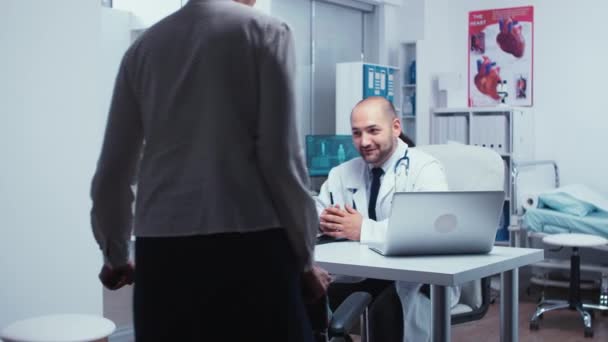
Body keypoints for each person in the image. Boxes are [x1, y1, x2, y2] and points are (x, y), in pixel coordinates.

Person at [90, 0, 330, 340]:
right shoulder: (266, 32)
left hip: (162, 254)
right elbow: (281, 159)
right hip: (252, 247)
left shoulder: (143, 49)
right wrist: (305, 261)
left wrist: (115, 254)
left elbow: (112, 172)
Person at [315, 96, 460, 342]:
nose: (364, 142)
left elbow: (429, 230)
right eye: (357, 133)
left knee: (386, 307)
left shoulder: (425, 169)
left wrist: (363, 229)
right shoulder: (343, 172)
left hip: (413, 280)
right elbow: (319, 208)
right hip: (360, 274)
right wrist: (325, 220)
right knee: (307, 294)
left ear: (395, 128)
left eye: (373, 131)